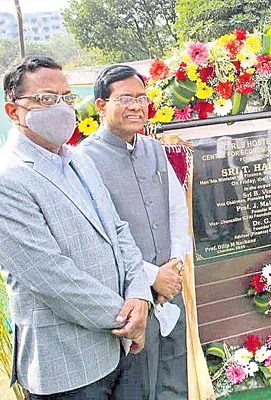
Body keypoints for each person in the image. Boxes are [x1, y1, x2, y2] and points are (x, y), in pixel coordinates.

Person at [0, 56, 152, 398]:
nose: (62, 107)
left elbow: (118, 231)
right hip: (68, 365)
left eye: (67, 97)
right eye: (46, 99)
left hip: (120, 352)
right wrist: (128, 320)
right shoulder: (9, 178)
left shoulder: (78, 158)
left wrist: (140, 295)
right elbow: (50, 277)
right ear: (13, 112)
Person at [77, 65, 190, 400]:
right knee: (137, 386)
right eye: (125, 98)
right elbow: (100, 238)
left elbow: (176, 210)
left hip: (171, 290)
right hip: (129, 299)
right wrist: (153, 276)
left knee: (174, 380)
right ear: (100, 106)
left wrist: (173, 266)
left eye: (142, 98)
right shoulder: (83, 160)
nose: (137, 106)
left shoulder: (155, 149)